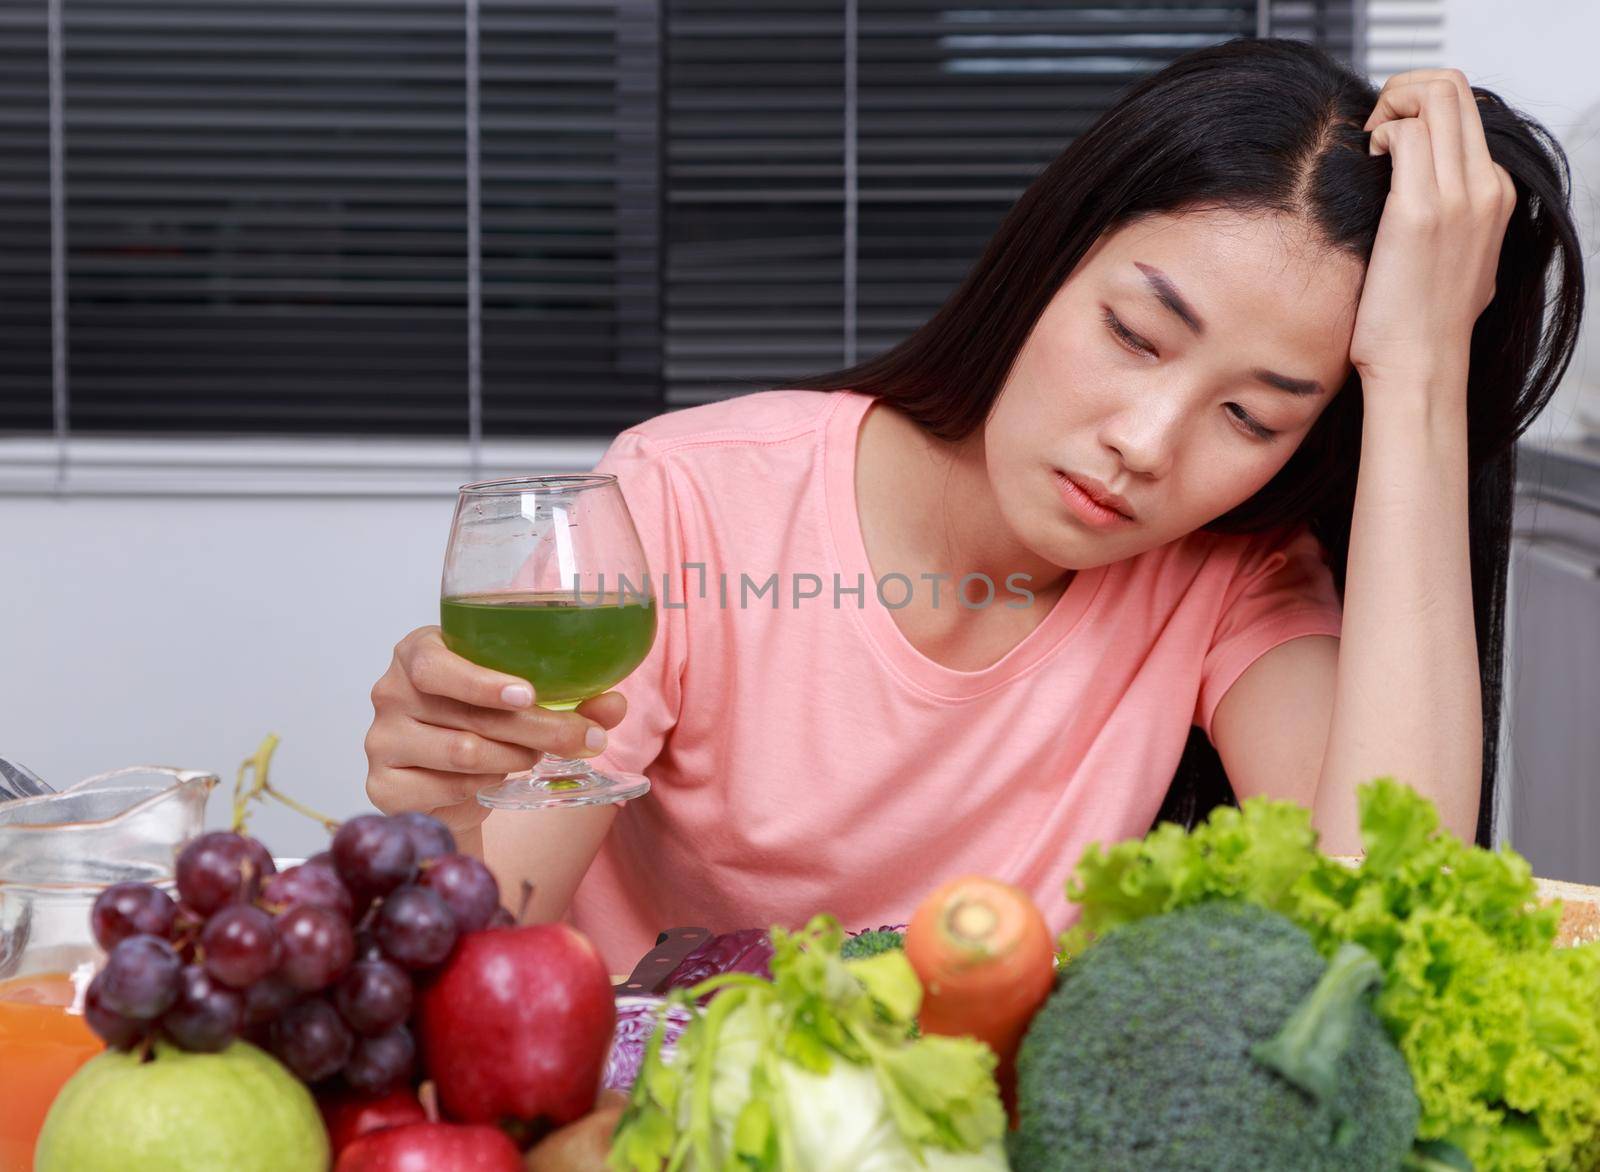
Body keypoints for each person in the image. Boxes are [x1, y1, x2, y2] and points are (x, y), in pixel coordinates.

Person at [364, 39, 1584, 973]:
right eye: (1133, 333)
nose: (1143, 445)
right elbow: (499, 937)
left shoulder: (1233, 575)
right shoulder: (689, 500)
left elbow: (1387, 912)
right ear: (1047, 255)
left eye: (1252, 417)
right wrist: (459, 804)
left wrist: (1422, 376)